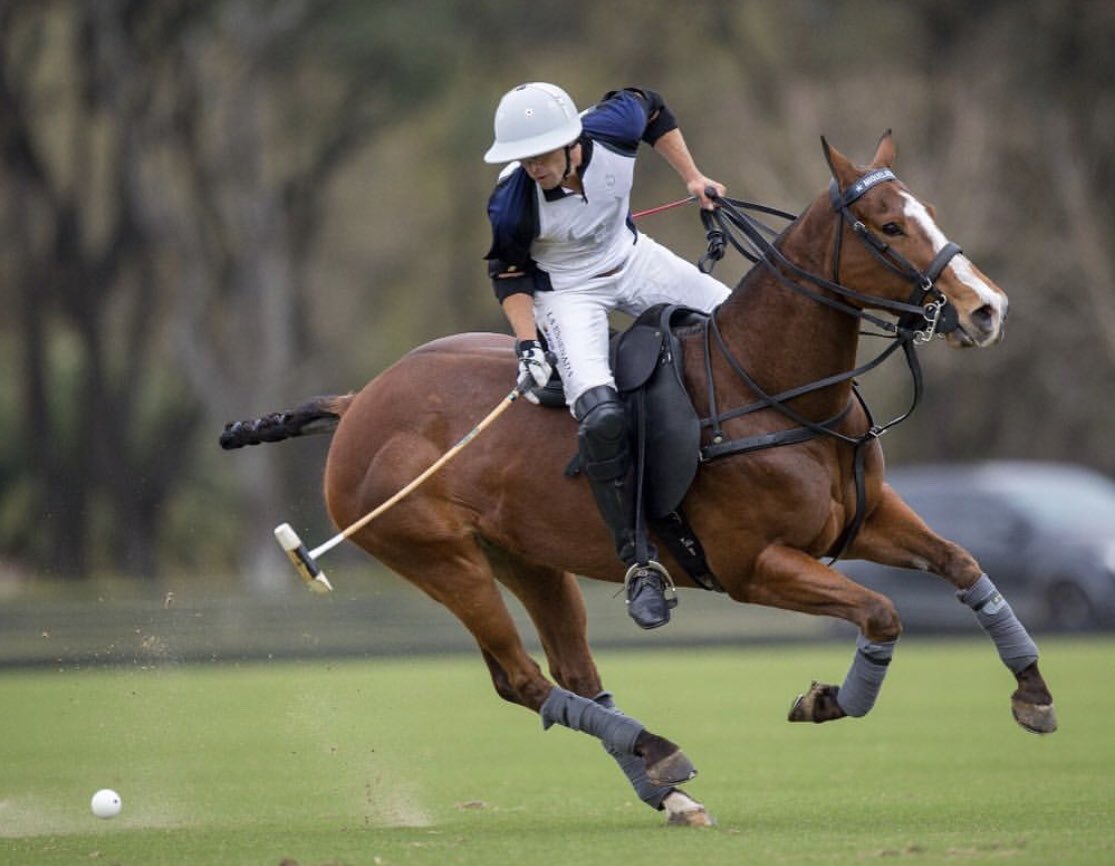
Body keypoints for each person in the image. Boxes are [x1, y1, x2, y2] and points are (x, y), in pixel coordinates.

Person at [483, 82, 731, 630]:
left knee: (738, 330)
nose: (533, 168)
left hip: (634, 258)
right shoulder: (511, 202)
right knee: (601, 415)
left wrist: (692, 177)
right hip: (567, 293)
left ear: (574, 141)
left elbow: (655, 106)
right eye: (523, 159)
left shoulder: (614, 127)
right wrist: (528, 344)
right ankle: (640, 564)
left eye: (542, 155)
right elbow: (508, 274)